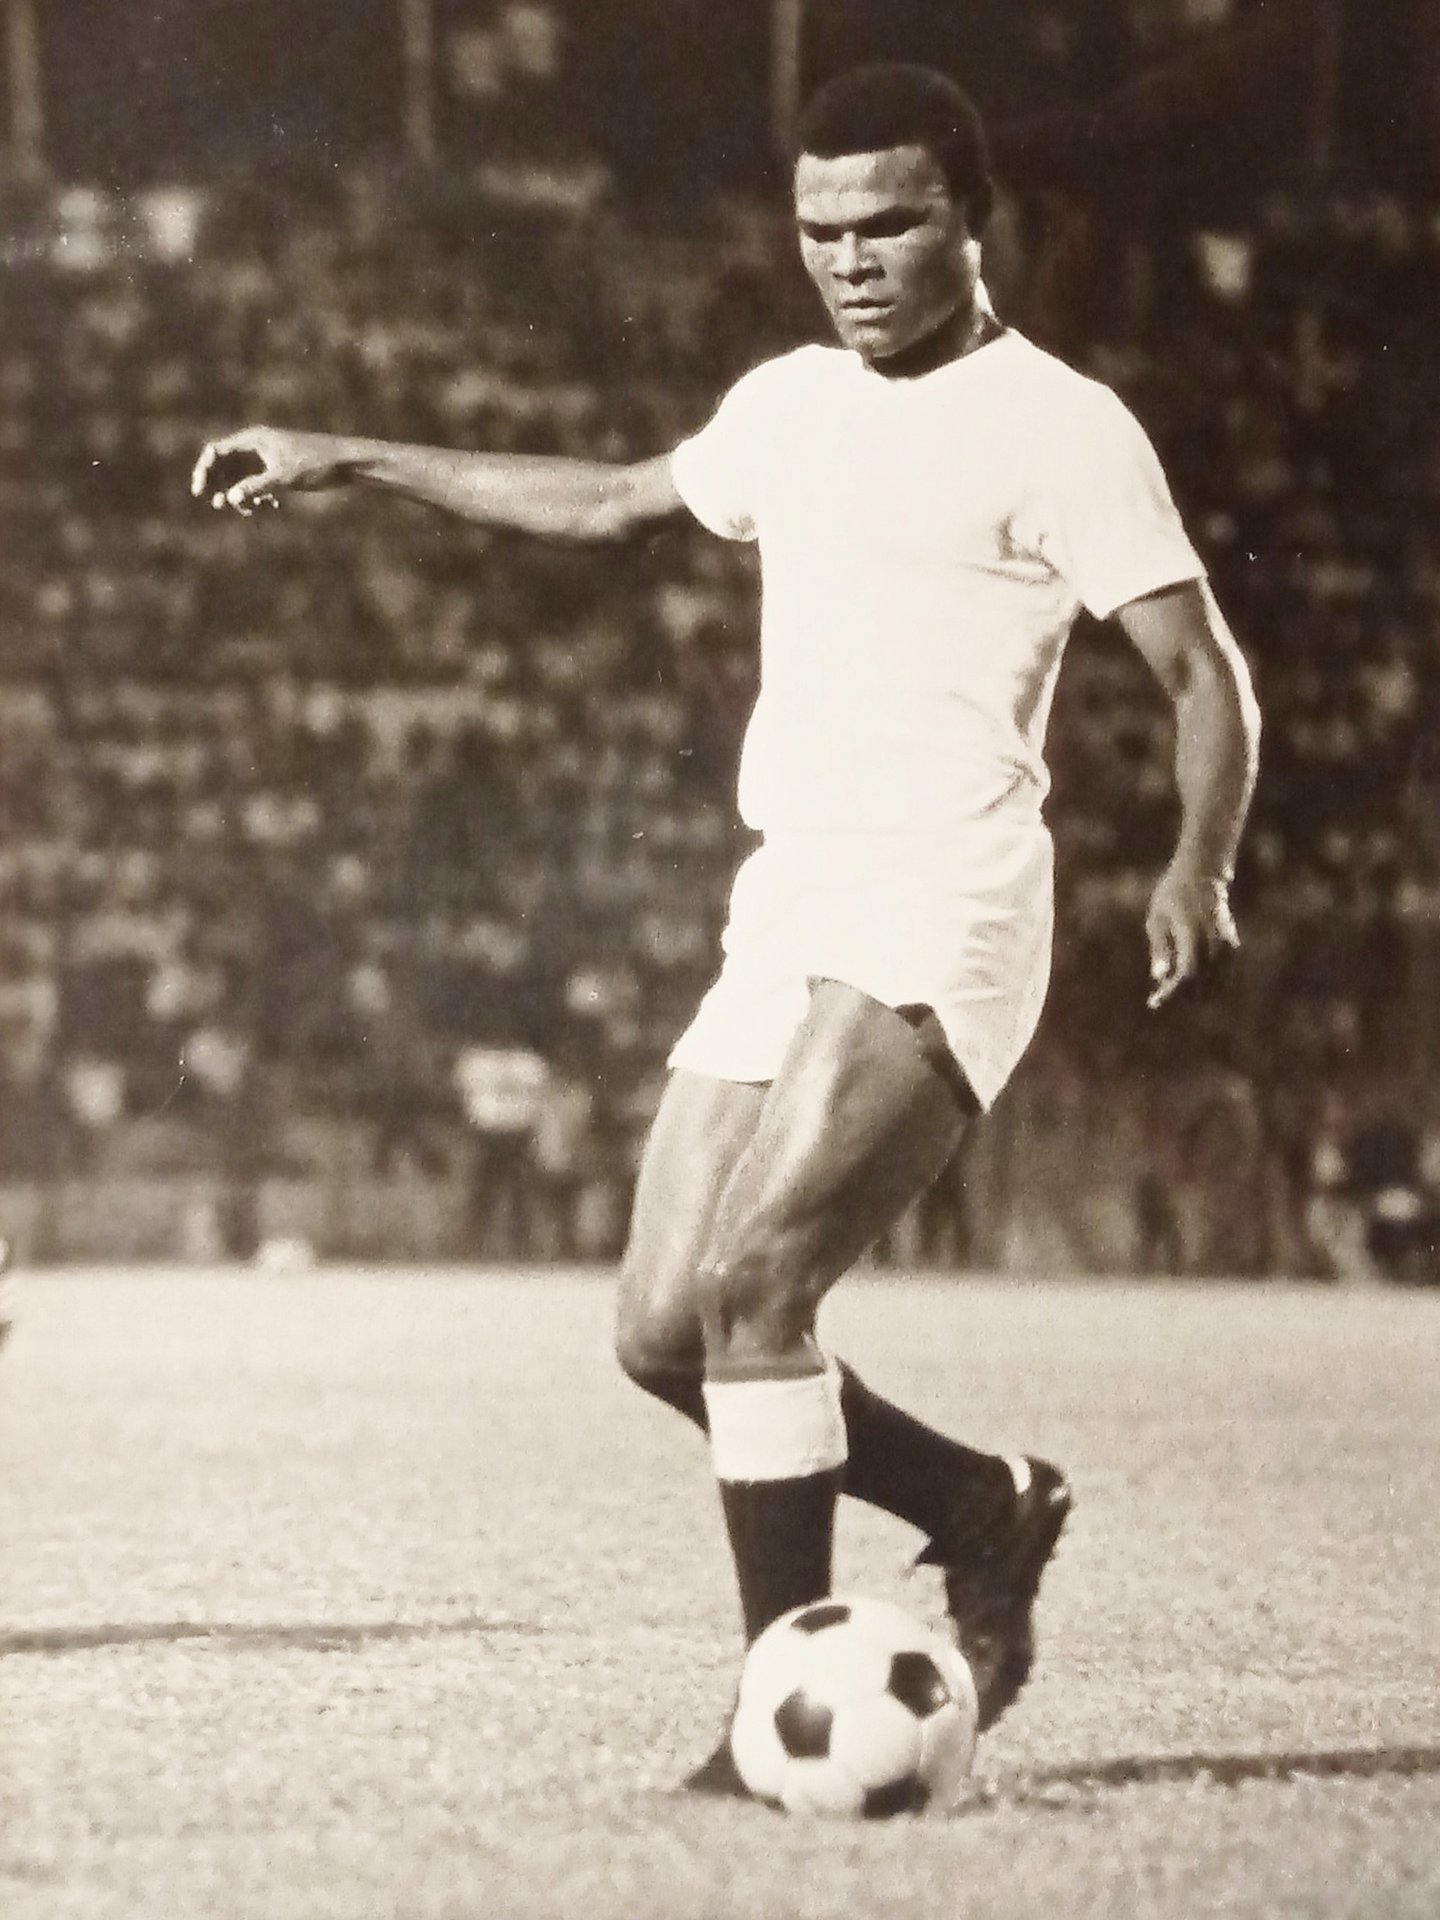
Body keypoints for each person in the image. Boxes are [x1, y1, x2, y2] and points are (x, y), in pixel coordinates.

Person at [191, 64, 1261, 1790]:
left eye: (891, 222)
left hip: (946, 892)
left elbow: (1205, 674)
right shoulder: (788, 401)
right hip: (793, 893)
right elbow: (611, 498)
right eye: (821, 229)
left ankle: (776, 1719)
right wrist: (351, 457)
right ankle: (981, 1505)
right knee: (662, 1332)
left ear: (974, 219)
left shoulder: (1063, 426)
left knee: (759, 1287)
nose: (851, 259)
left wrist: (1198, 863)